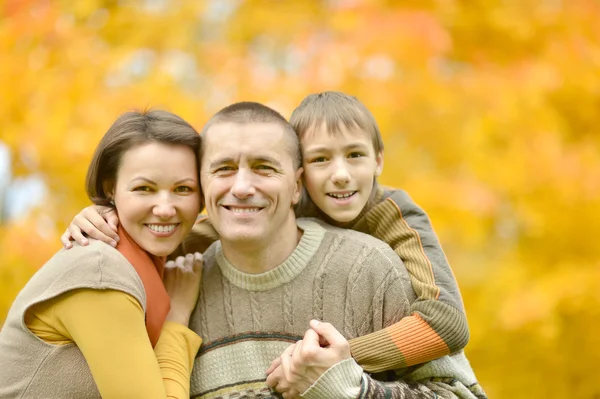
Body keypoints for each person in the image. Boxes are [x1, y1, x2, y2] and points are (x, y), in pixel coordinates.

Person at [61, 102, 486, 399]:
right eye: (224, 169)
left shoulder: (371, 267)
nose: (242, 186)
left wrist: (353, 387)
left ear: (298, 185)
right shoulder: (167, 285)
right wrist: (106, 217)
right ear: (202, 186)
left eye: (264, 167)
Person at [0, 110, 204, 398]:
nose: (165, 208)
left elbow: (233, 229)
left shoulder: (146, 250)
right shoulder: (101, 271)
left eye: (183, 189)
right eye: (143, 188)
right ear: (111, 188)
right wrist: (177, 317)